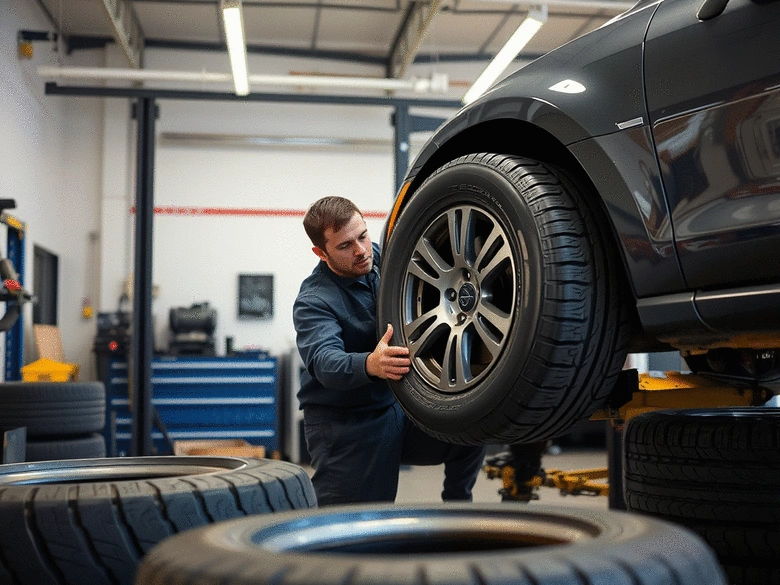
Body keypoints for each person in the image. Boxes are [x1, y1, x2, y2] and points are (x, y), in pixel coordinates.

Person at [293, 196, 487, 506]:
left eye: (363, 236)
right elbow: (324, 361)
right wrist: (370, 364)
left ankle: (457, 506)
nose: (360, 251)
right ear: (321, 252)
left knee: (473, 424)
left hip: (396, 407)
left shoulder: (387, 259)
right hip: (347, 423)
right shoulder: (314, 301)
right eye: (345, 246)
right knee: (354, 524)